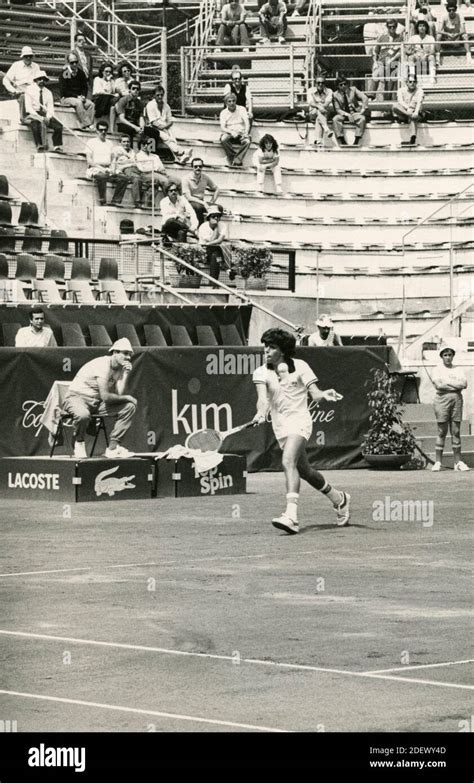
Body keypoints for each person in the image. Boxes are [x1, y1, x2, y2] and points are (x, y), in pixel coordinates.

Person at [252, 328, 350, 534]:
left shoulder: (301, 367)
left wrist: (325, 394)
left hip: (300, 422)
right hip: (281, 427)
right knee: (305, 471)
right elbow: (262, 400)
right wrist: (261, 413)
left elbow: (315, 395)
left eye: (271, 347)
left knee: (288, 461)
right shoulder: (261, 372)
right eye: (265, 346)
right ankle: (339, 499)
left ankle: (291, 516)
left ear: (283, 350)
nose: (266, 351)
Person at [63, 337, 137, 460]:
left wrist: (125, 374)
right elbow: (106, 397)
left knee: (129, 407)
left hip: (96, 403)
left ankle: (113, 448)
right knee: (83, 415)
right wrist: (127, 397)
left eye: (129, 354)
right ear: (115, 352)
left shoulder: (119, 369)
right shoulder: (103, 365)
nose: (128, 357)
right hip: (76, 398)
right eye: (125, 353)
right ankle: (79, 441)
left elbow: (118, 393)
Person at [431, 344, 469, 471]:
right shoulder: (437, 369)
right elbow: (438, 386)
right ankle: (438, 462)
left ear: (453, 356)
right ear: (442, 356)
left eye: (450, 355)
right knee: (442, 431)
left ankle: (457, 462)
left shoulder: (458, 369)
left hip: (457, 400)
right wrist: (455, 385)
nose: (448, 357)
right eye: (445, 355)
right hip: (442, 401)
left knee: (456, 431)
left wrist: (447, 383)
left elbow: (464, 384)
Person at [144, 85, 192, 164]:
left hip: (164, 127)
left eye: (161, 95)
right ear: (154, 96)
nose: (160, 97)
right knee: (166, 137)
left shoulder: (166, 106)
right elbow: (153, 122)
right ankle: (182, 152)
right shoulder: (150, 105)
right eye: (158, 95)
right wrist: (163, 128)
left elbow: (170, 121)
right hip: (152, 128)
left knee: (172, 135)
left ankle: (180, 156)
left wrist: (165, 127)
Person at [86, 122, 129, 206]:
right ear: (97, 131)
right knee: (102, 176)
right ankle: (103, 201)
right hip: (96, 168)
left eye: (105, 130)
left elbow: (113, 159)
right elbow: (89, 160)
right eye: (101, 130)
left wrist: (112, 169)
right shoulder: (91, 142)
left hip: (108, 168)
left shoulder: (110, 143)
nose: (103, 132)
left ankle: (116, 201)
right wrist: (101, 169)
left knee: (124, 178)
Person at [24, 71, 64, 153]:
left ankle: (57, 146)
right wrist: (40, 117)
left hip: (44, 114)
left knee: (59, 126)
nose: (42, 81)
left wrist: (48, 117)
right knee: (35, 124)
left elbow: (50, 108)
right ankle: (39, 145)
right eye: (39, 79)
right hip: (33, 113)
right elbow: (28, 108)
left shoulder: (48, 92)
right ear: (36, 80)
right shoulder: (29, 90)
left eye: (44, 79)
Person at [135, 137, 179, 206]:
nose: (146, 146)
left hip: (159, 174)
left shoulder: (155, 156)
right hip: (146, 175)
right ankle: (169, 203)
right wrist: (155, 168)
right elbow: (141, 169)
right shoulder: (138, 156)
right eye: (144, 144)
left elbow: (162, 168)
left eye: (148, 144)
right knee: (165, 181)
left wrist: (157, 169)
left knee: (177, 181)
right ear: (140, 146)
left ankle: (179, 202)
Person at [368, 18, 404, 101]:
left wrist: (392, 59)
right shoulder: (382, 38)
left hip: (393, 62)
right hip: (381, 61)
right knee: (377, 73)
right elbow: (376, 52)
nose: (392, 28)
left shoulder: (400, 38)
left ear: (396, 27)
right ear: (387, 27)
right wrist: (375, 62)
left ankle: (386, 99)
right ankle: (370, 96)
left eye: (394, 27)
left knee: (387, 74)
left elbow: (401, 52)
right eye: (390, 27)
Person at [2, 46, 42, 121]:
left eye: (30, 56)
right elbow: (5, 80)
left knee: (43, 96)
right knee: (23, 96)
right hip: (19, 90)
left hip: (33, 91)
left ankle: (39, 116)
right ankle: (24, 118)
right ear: (22, 57)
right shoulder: (16, 65)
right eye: (26, 56)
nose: (28, 58)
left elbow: (39, 81)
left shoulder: (36, 66)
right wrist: (14, 90)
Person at [59, 52, 95, 129]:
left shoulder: (80, 73)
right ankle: (87, 124)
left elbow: (85, 87)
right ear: (68, 63)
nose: (75, 64)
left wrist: (83, 96)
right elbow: (64, 90)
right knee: (78, 103)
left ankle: (86, 125)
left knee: (91, 104)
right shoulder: (65, 73)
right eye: (72, 63)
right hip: (67, 97)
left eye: (76, 62)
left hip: (78, 97)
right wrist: (77, 96)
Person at [198, 205, 233, 282]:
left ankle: (213, 283)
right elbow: (212, 240)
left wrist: (216, 227)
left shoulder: (223, 225)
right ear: (209, 217)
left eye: (218, 216)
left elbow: (220, 240)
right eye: (213, 216)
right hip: (203, 252)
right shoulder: (203, 227)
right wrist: (216, 228)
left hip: (215, 252)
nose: (216, 218)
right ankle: (227, 269)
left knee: (215, 256)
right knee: (216, 251)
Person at [332, 77, 369, 147]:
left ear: (347, 84)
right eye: (341, 85)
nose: (343, 86)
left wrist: (363, 109)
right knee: (335, 119)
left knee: (362, 118)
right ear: (337, 86)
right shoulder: (335, 95)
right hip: (343, 114)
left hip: (354, 113)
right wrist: (347, 115)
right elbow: (337, 109)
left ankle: (357, 141)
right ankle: (342, 140)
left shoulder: (353, 90)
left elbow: (364, 97)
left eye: (345, 84)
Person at [182, 157, 220, 225]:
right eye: (195, 166)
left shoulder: (205, 177)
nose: (198, 168)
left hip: (201, 202)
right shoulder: (186, 179)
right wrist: (204, 203)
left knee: (219, 208)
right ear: (192, 167)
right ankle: (200, 228)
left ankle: (212, 228)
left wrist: (212, 201)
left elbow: (217, 189)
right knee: (198, 207)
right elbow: (188, 197)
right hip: (189, 203)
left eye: (200, 166)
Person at [219, 93, 251, 167]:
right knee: (223, 139)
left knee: (247, 141)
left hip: (241, 133)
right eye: (229, 101)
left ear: (235, 101)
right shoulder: (223, 112)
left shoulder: (242, 109)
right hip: (230, 133)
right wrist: (231, 132)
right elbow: (223, 127)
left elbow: (247, 123)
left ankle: (237, 159)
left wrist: (246, 132)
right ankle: (233, 158)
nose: (232, 103)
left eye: (233, 101)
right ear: (226, 103)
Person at [392, 73, 424, 145]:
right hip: (404, 112)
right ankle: (410, 115)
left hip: (415, 113)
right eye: (410, 82)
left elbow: (419, 102)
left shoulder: (420, 91)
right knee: (394, 106)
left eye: (414, 82)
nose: (412, 83)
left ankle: (413, 137)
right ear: (406, 83)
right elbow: (400, 101)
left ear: (416, 82)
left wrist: (415, 112)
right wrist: (408, 110)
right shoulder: (400, 90)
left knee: (413, 118)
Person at [111, 134, 141, 208]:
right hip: (124, 169)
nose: (126, 143)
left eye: (128, 142)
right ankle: (137, 202)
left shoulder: (132, 151)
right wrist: (113, 171)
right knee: (136, 178)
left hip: (134, 168)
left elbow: (135, 162)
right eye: (124, 142)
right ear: (120, 143)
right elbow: (113, 161)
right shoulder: (116, 150)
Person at [115, 80, 145, 145]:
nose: (135, 90)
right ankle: (130, 151)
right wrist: (135, 127)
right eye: (133, 88)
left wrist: (142, 127)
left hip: (134, 124)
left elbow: (141, 117)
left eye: (137, 89)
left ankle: (150, 151)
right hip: (123, 125)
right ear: (129, 90)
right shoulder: (123, 100)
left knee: (152, 132)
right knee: (130, 130)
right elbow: (122, 119)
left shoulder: (140, 103)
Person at [307, 75, 334, 146]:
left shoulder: (329, 91)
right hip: (313, 114)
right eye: (318, 82)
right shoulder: (310, 90)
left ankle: (318, 140)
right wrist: (319, 106)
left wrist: (319, 106)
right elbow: (310, 102)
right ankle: (326, 129)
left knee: (319, 118)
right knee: (319, 112)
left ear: (325, 84)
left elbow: (327, 102)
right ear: (315, 83)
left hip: (324, 114)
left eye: (322, 83)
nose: (320, 84)